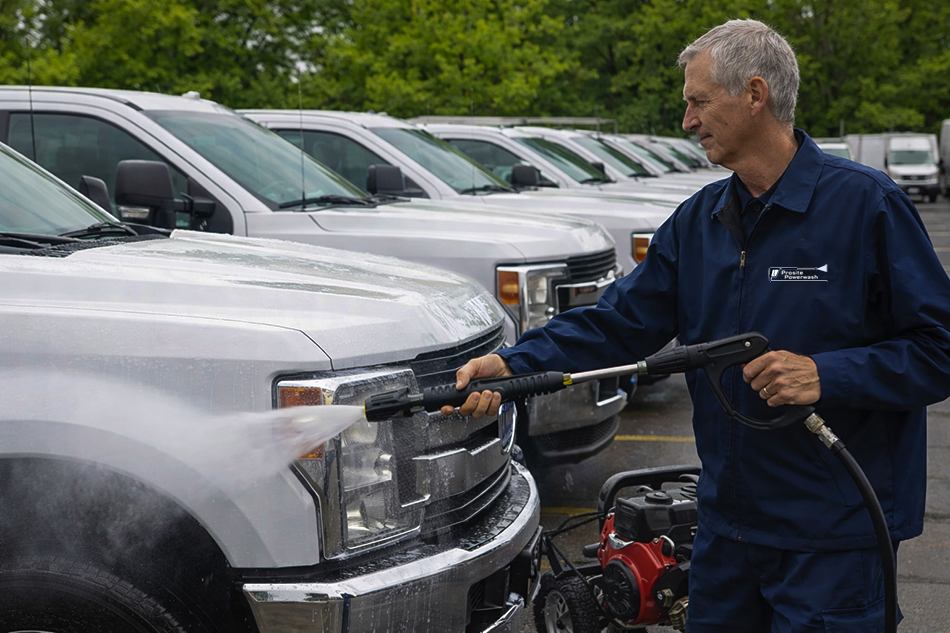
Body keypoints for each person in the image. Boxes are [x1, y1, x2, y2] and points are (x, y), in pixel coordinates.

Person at [441, 18, 950, 633]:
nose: (687, 121)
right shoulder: (700, 220)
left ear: (755, 94)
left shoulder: (866, 206)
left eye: (699, 102)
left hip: (833, 538)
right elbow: (618, 322)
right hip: (726, 534)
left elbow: (939, 348)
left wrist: (827, 374)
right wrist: (514, 363)